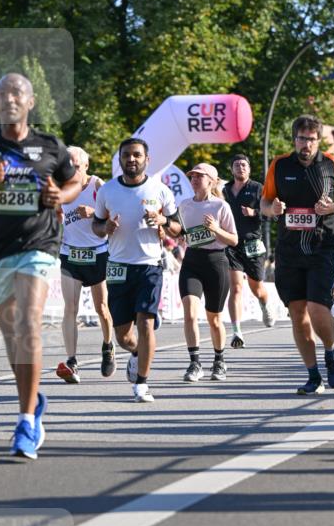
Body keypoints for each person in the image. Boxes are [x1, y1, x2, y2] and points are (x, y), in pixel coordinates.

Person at [0, 72, 81, 459]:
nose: (9, 98)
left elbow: (74, 183)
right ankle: (32, 396)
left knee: (28, 322)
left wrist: (60, 193)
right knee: (13, 339)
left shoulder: (50, 146)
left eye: (17, 92)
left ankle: (25, 421)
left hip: (39, 244)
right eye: (3, 93)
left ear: (30, 101)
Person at [261, 114, 334, 394]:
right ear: (295, 139)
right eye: (302, 138)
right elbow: (264, 201)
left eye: (312, 139)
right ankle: (313, 375)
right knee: (297, 313)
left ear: (318, 140)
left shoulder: (331, 164)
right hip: (289, 249)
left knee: (317, 308)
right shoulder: (280, 164)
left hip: (322, 246)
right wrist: (271, 210)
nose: (306, 144)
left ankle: (331, 352)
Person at [92, 138, 181, 402]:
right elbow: (96, 226)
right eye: (127, 155)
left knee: (146, 324)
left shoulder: (160, 190)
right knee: (122, 336)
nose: (132, 159)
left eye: (137, 155)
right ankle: (136, 354)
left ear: (147, 160)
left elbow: (178, 228)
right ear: (120, 159)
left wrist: (163, 219)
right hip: (118, 267)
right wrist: (105, 229)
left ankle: (142, 384)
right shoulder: (107, 191)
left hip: (149, 265)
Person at [56, 146, 115, 384]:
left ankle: (108, 345)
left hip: (98, 252)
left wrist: (93, 212)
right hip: (70, 254)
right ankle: (72, 361)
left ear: (86, 166)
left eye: (76, 166)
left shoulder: (98, 186)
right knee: (70, 308)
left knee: (102, 307)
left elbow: (115, 217)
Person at [177, 163, 238, 381]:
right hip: (192, 261)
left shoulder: (221, 206)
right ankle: (194, 363)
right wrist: (178, 234)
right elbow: (184, 232)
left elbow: (233, 239)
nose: (194, 179)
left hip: (216, 262)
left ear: (211, 181)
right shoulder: (183, 205)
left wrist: (215, 229)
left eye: (199, 176)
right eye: (192, 176)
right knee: (190, 313)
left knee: (214, 318)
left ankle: (219, 361)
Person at [223, 153, 275, 347]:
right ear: (232, 169)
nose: (240, 168)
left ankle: (264, 304)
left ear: (249, 169)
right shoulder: (225, 190)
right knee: (235, 287)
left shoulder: (257, 188)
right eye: (237, 165)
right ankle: (237, 332)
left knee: (257, 287)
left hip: (253, 243)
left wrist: (255, 213)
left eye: (244, 165)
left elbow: (270, 213)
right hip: (231, 244)